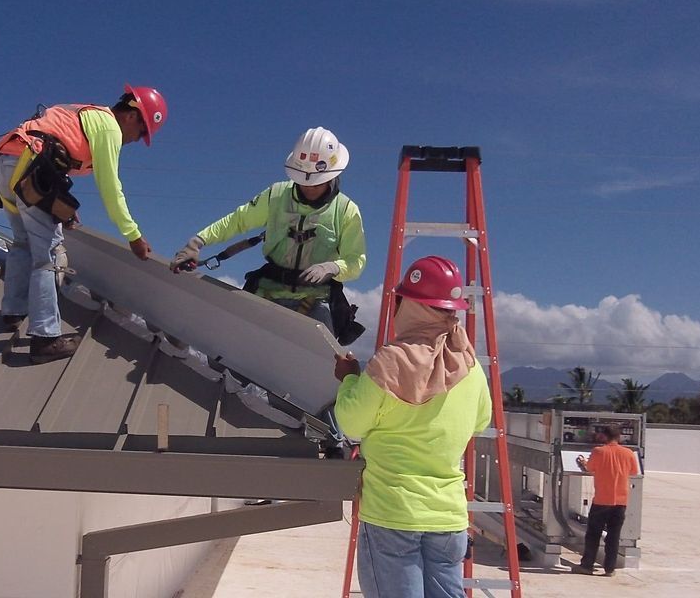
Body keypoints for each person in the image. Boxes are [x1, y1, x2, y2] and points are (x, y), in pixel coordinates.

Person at [333, 256, 491, 598]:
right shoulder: (471, 366)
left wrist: (348, 381)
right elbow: (480, 422)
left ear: (408, 306)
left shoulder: (390, 362)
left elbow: (350, 423)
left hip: (393, 513)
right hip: (449, 517)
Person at [0, 84, 167, 363]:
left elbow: (56, 155)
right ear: (132, 115)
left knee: (23, 242)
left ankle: (14, 309)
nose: (136, 139)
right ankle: (45, 338)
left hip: (6, 165)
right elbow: (111, 187)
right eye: (142, 131)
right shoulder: (109, 128)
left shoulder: (84, 113)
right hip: (29, 170)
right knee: (48, 256)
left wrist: (62, 207)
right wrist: (132, 234)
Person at [170, 127, 366, 344]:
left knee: (321, 360)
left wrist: (332, 267)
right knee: (227, 348)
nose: (308, 188)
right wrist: (197, 242)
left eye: (316, 182)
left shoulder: (347, 210)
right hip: (267, 292)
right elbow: (238, 220)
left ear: (333, 174)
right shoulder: (276, 195)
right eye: (303, 180)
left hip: (314, 301)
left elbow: (355, 260)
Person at [573, 426, 640, 577]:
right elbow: (633, 471)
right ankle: (610, 568)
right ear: (619, 437)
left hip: (602, 500)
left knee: (593, 534)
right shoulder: (628, 453)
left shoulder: (598, 451)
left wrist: (583, 462)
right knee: (613, 536)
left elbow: (589, 468)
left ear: (604, 436)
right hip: (621, 501)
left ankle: (587, 565)